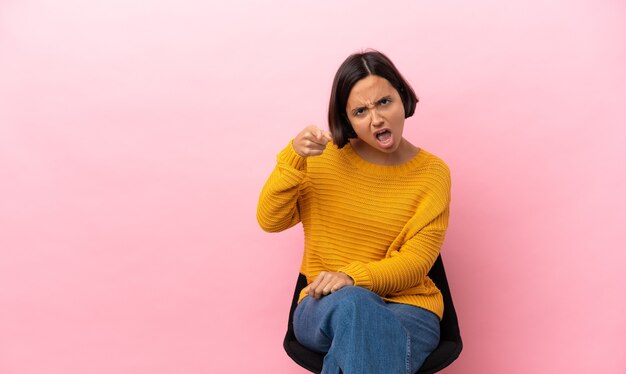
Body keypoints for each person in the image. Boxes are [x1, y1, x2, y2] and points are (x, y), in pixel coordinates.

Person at [257, 50, 451, 374]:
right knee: (356, 307)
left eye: (384, 103)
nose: (376, 119)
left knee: (358, 342)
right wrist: (292, 158)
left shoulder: (432, 173)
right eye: (361, 111)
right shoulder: (323, 158)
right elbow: (270, 219)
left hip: (410, 307)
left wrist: (352, 277)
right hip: (326, 305)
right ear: (347, 119)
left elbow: (417, 263)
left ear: (402, 97)